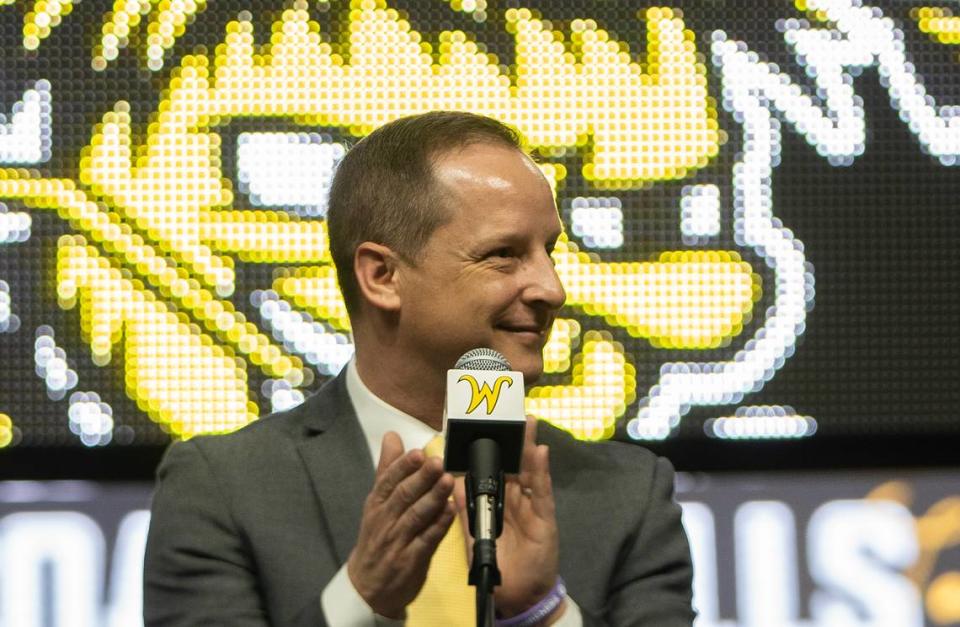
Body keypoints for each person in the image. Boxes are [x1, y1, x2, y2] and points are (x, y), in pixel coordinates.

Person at [143, 111, 695, 626]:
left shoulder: (630, 495)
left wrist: (541, 612)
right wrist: (360, 600)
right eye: (503, 254)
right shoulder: (221, 488)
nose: (552, 288)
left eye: (549, 250)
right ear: (382, 275)